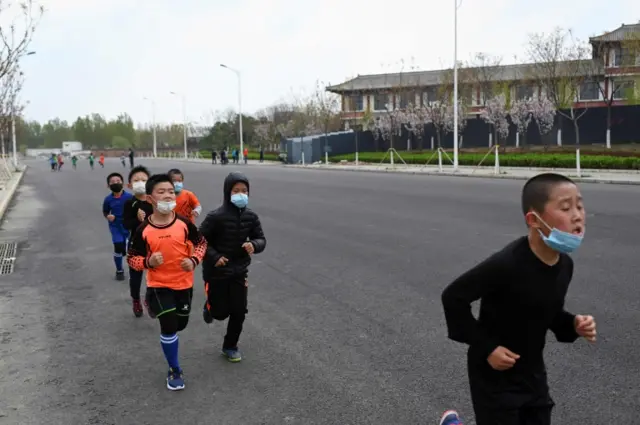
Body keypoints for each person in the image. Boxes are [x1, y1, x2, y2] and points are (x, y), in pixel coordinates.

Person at [441, 173, 596, 425]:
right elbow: (453, 298)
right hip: (493, 375)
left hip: (532, 374)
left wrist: (573, 324)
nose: (577, 215)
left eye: (579, 205)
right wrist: (488, 347)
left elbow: (548, 312)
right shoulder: (506, 265)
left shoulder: (564, 264)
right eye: (566, 208)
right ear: (533, 220)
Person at [127, 173, 207, 391]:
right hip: (159, 285)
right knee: (169, 326)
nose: (167, 196)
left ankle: (159, 311)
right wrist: (148, 262)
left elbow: (201, 243)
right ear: (150, 198)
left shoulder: (183, 223)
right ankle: (174, 369)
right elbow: (132, 258)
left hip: (183, 283)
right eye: (161, 192)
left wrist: (194, 260)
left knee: (181, 323)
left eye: (171, 191)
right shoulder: (143, 229)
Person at [200, 172, 266, 362]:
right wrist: (215, 257)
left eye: (244, 191)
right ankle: (210, 306)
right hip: (216, 273)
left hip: (239, 271)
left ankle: (230, 346)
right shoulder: (215, 217)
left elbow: (261, 238)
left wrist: (254, 245)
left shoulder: (251, 217)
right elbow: (199, 240)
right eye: (236, 190)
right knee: (220, 313)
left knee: (239, 311)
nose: (241, 194)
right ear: (227, 193)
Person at [123, 165, 154, 317]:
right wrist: (137, 220)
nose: (140, 182)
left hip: (153, 245)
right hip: (136, 246)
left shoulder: (154, 202)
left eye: (143, 179)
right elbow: (126, 224)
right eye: (136, 180)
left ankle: (149, 298)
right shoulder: (130, 203)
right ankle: (136, 299)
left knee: (154, 274)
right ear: (130, 185)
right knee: (135, 277)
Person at [103, 172, 134, 281]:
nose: (115, 183)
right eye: (112, 182)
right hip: (115, 225)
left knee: (129, 247)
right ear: (108, 186)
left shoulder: (130, 197)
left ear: (123, 183)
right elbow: (105, 211)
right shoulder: (108, 199)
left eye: (118, 181)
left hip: (128, 225)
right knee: (118, 246)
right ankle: (119, 270)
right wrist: (108, 216)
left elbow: (136, 209)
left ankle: (132, 266)